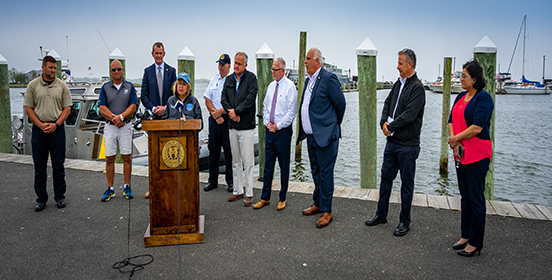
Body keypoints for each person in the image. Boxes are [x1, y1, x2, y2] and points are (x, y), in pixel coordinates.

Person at [365, 48, 425, 237]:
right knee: (385, 180)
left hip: (407, 146)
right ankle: (381, 214)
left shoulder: (418, 88)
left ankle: (404, 222)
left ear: (410, 64)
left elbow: (409, 115)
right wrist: (384, 122)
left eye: (400, 63)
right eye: (398, 63)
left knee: (406, 185)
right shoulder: (397, 85)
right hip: (392, 144)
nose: (397, 66)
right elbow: (387, 104)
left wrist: (391, 126)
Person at [448, 59, 494, 257]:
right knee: (465, 197)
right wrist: (455, 142)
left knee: (476, 199)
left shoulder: (484, 99)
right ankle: (465, 235)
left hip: (477, 155)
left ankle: (476, 243)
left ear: (475, 79)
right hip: (460, 153)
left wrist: (455, 139)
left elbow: (477, 127)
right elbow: (450, 120)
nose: (461, 78)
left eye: (464, 75)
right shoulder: (460, 96)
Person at [297, 48, 346, 228]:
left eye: (308, 58)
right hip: (311, 136)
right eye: (305, 58)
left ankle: (327, 211)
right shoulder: (308, 80)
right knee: (316, 172)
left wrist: (331, 124)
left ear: (317, 61)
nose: (305, 62)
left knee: (326, 174)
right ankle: (317, 203)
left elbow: (340, 104)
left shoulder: (328, 78)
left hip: (325, 136)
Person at [24, 55, 72, 211]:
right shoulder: (33, 86)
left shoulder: (62, 86)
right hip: (39, 130)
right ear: (43, 67)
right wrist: (40, 125)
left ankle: (60, 197)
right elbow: (29, 108)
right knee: (40, 166)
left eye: (55, 68)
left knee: (58, 164)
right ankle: (41, 199)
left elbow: (67, 109)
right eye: (50, 68)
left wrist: (56, 124)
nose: (53, 71)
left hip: (57, 130)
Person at [253, 57, 297, 211]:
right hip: (270, 131)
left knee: (284, 166)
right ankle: (265, 197)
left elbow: (291, 112)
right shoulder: (271, 86)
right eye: (272, 69)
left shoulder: (290, 87)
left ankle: (282, 198)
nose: (273, 72)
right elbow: (265, 107)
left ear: (283, 71)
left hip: (283, 132)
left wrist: (278, 126)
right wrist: (267, 123)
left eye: (275, 69)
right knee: (268, 166)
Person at [221, 52, 258, 207]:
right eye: (235, 63)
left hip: (246, 127)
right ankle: (237, 190)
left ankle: (249, 193)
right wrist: (231, 113)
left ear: (245, 65)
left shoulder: (251, 79)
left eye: (239, 64)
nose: (236, 66)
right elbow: (223, 99)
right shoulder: (229, 80)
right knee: (235, 161)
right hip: (233, 126)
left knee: (248, 162)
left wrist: (237, 112)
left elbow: (250, 99)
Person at [98, 60, 139, 202]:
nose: (116, 72)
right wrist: (114, 119)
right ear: (111, 71)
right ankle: (110, 189)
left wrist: (121, 117)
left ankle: (127, 186)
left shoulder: (130, 86)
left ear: (123, 70)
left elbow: (133, 106)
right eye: (114, 70)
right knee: (110, 158)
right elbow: (102, 107)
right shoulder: (105, 88)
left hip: (125, 126)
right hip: (110, 126)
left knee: (127, 157)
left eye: (119, 69)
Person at [141, 42, 176, 198]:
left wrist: (166, 108)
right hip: (154, 118)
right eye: (156, 53)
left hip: (168, 117)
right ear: (152, 53)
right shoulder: (147, 72)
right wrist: (153, 108)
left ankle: (169, 186)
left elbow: (176, 95)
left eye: (161, 53)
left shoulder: (171, 71)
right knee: (153, 155)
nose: (158, 55)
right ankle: (153, 187)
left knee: (167, 153)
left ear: (164, 53)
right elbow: (144, 96)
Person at [203, 54, 233, 193]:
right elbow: (207, 99)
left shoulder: (232, 81)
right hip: (214, 119)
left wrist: (220, 113)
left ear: (229, 66)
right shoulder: (214, 79)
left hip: (226, 120)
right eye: (219, 64)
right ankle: (212, 181)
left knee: (229, 153)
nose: (220, 67)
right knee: (213, 151)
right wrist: (214, 114)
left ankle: (231, 182)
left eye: (223, 64)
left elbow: (233, 102)